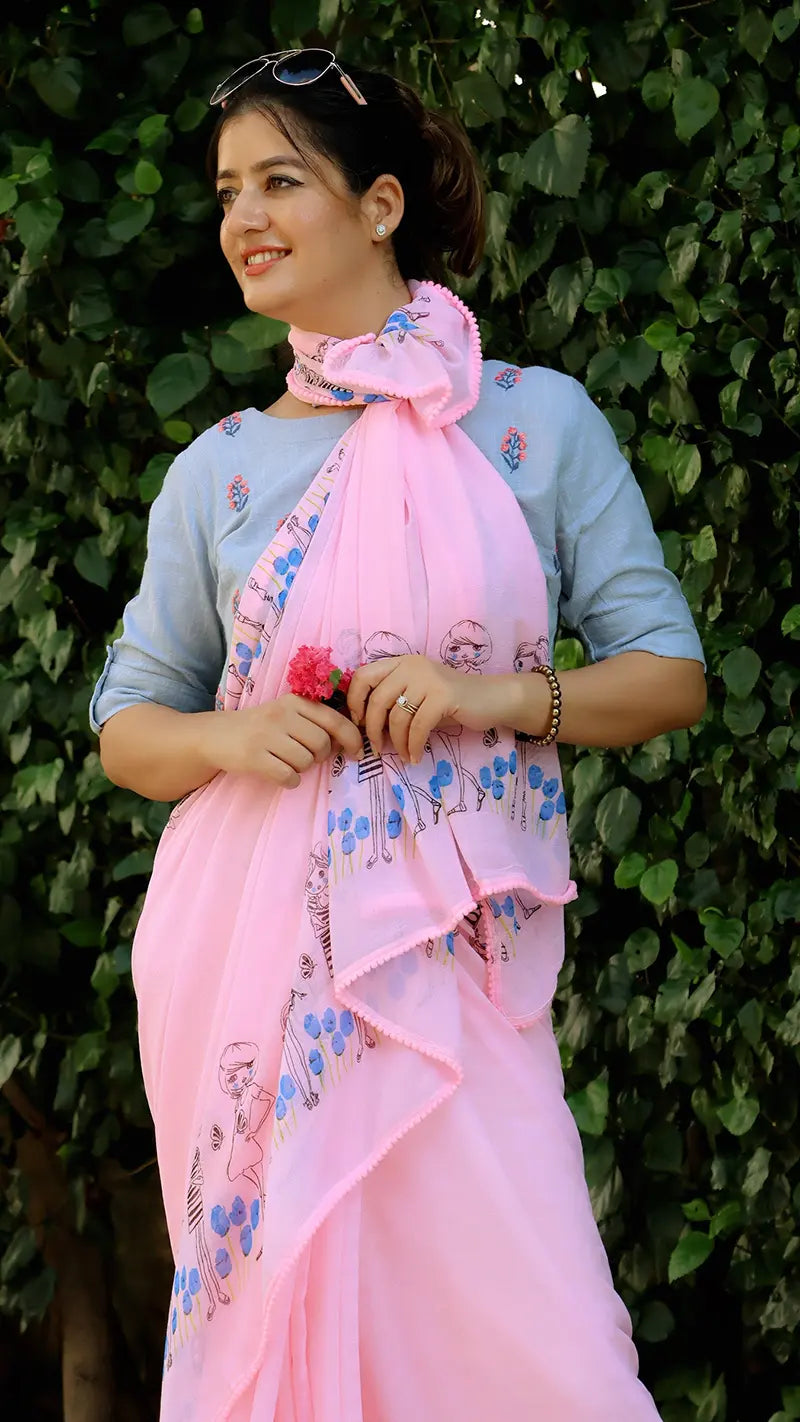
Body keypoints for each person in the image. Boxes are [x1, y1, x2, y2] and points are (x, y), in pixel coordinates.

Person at [91, 49, 707, 1422]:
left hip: (459, 968)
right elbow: (129, 726)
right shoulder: (220, 473)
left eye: (279, 181)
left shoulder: (533, 424)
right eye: (226, 192)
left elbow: (668, 676)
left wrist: (491, 698)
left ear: (379, 206)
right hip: (252, 973)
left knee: (551, 1357)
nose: (244, 217)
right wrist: (228, 738)